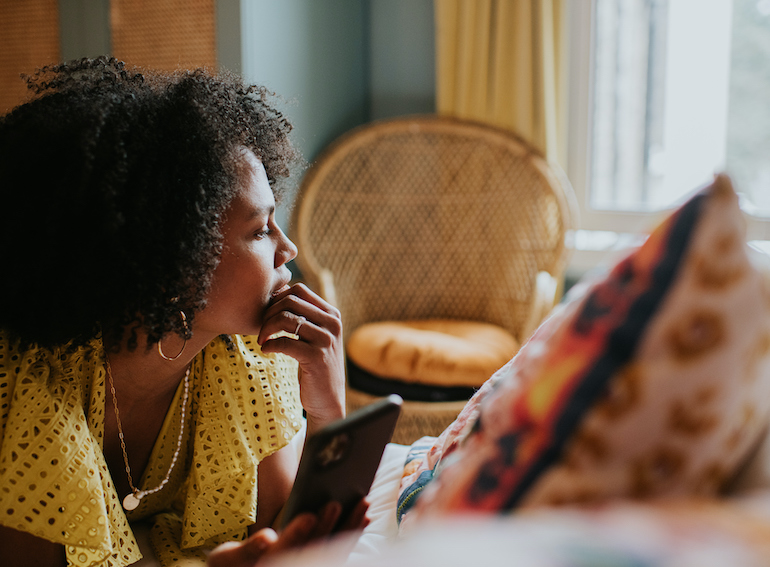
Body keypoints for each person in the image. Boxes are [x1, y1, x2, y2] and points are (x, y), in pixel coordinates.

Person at [0, 57, 364, 567]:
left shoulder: (253, 363)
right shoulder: (30, 388)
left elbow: (293, 537)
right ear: (174, 257)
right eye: (260, 230)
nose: (288, 249)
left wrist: (328, 409)